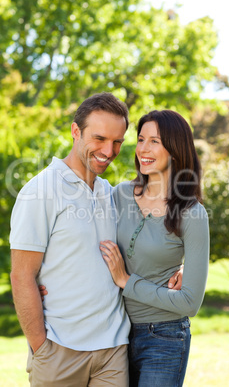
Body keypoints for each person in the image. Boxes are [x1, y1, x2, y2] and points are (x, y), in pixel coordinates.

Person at [10, 93, 182, 387]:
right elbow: (21, 275)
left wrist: (180, 267)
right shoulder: (41, 190)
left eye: (117, 141)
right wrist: (41, 347)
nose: (108, 150)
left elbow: (151, 233)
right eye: (99, 138)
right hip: (59, 351)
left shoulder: (110, 193)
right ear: (76, 132)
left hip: (113, 351)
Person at [99, 109, 210, 387]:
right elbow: (81, 239)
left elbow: (189, 303)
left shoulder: (191, 213)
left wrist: (126, 280)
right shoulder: (119, 194)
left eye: (154, 142)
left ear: (174, 149)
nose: (143, 149)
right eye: (140, 139)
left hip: (165, 338)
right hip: (115, 334)